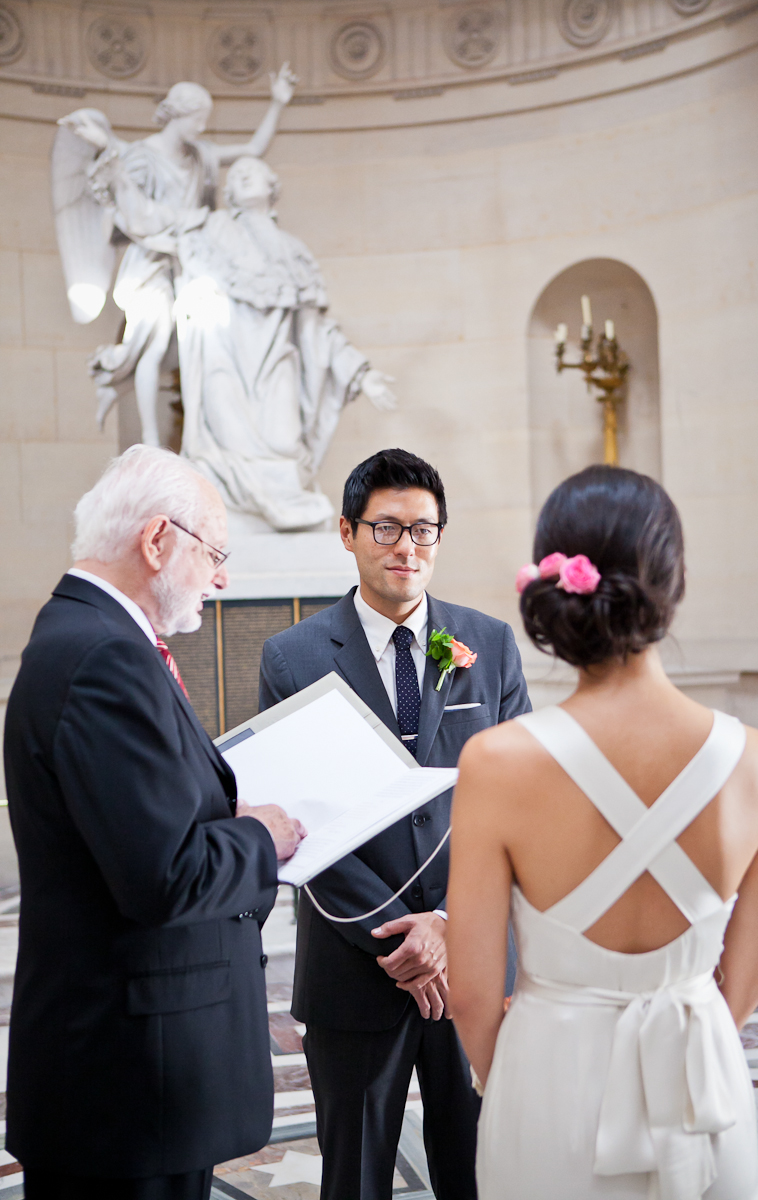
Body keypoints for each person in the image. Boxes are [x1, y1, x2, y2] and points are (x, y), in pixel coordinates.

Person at [446, 464, 758, 1200]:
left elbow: (470, 992)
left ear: (554, 581)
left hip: (550, 1086)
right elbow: (750, 981)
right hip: (702, 1091)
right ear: (675, 582)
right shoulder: (757, 762)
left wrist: (514, 1081)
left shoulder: (498, 763)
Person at [3, 445, 305, 1200]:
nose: (222, 578)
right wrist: (261, 836)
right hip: (128, 1081)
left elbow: (136, 830)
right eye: (215, 554)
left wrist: (220, 814)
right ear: (158, 540)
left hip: (129, 1075)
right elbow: (164, 876)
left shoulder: (89, 635)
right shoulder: (103, 655)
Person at [258, 448, 531, 1200]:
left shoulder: (490, 644)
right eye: (386, 528)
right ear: (347, 532)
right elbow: (296, 821)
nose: (407, 547)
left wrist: (447, 924)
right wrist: (400, 939)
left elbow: (521, 801)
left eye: (423, 529)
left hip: (473, 960)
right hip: (355, 967)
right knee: (354, 1178)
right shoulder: (293, 658)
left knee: (483, 1172)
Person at [56, 65, 297, 444]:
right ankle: (151, 437)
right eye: (198, 119)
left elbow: (253, 150)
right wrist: (103, 146)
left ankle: (209, 433)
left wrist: (277, 103)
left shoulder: (201, 155)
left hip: (194, 263)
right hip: (153, 262)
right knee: (153, 342)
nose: (202, 127)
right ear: (179, 115)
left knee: (210, 343)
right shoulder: (141, 156)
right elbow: (127, 208)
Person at [175, 156, 396, 531]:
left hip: (277, 363)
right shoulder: (212, 231)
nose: (244, 174)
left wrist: (361, 374)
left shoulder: (293, 252)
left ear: (272, 187)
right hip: (223, 362)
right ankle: (231, 519)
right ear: (229, 193)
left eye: (254, 171)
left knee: (283, 444)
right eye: (237, 174)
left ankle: (285, 510)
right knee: (225, 445)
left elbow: (318, 331)